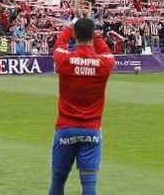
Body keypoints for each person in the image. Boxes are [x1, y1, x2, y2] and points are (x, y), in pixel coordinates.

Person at [49, 16, 115, 195]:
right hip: (91, 130)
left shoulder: (64, 61)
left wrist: (69, 28)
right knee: (89, 186)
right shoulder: (104, 63)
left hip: (66, 129)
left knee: (57, 181)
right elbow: (107, 52)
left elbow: (59, 45)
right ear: (92, 36)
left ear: (75, 35)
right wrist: (97, 36)